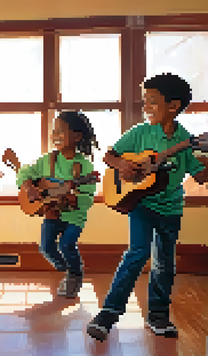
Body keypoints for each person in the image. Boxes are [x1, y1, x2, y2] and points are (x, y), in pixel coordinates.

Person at [87, 73, 208, 341]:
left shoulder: (186, 140)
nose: (146, 107)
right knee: (137, 253)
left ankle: (158, 315)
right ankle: (108, 312)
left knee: (165, 263)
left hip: (171, 208)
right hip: (142, 203)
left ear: (173, 106)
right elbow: (110, 155)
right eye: (145, 102)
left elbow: (201, 175)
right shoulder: (140, 132)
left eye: (152, 102)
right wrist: (122, 166)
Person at [16, 111, 98, 298]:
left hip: (74, 216)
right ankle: (68, 269)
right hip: (52, 213)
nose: (55, 136)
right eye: (54, 132)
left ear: (77, 137)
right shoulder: (47, 160)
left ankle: (75, 274)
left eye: (61, 131)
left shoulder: (84, 166)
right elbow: (24, 173)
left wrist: (75, 199)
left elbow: (88, 195)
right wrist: (29, 187)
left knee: (67, 244)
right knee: (46, 247)